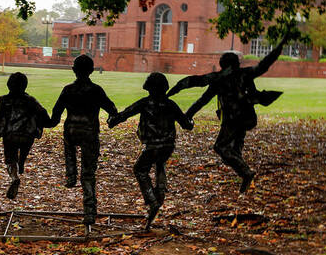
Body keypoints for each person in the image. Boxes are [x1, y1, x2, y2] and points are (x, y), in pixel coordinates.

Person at [167, 35, 289, 193]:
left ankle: (246, 173)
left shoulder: (219, 78)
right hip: (246, 118)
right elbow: (263, 65)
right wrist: (280, 46)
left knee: (220, 147)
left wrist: (184, 109)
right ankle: (244, 181)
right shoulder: (242, 75)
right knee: (235, 148)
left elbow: (198, 90)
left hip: (233, 119)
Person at [108, 72, 193, 230]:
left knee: (140, 170)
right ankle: (159, 195)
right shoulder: (170, 104)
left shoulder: (144, 103)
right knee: (160, 164)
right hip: (168, 145)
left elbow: (126, 114)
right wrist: (191, 120)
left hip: (151, 145)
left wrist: (113, 120)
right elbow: (186, 124)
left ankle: (152, 200)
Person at [48, 54, 118, 234]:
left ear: (74, 70)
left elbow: (55, 116)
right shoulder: (96, 90)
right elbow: (112, 109)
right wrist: (111, 119)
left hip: (71, 130)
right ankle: (89, 212)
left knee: (69, 147)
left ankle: (70, 174)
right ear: (92, 71)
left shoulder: (68, 90)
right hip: (89, 132)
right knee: (88, 174)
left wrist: (40, 124)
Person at [0, 72, 50, 199]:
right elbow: (43, 115)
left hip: (10, 135)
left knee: (10, 158)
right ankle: (22, 162)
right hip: (27, 135)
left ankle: (14, 176)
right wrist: (50, 122)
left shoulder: (3, 100)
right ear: (25, 85)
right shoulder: (31, 100)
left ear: (9, 85)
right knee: (25, 147)